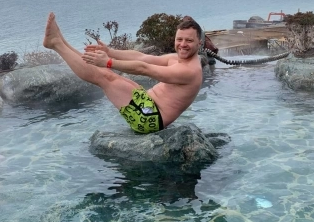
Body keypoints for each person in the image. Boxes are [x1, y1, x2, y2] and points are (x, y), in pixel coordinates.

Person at [43, 12, 204, 134]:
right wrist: (110, 52)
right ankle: (60, 40)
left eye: (189, 40)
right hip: (147, 105)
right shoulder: (178, 58)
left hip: (150, 119)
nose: (183, 44)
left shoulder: (189, 71)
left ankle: (56, 44)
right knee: (105, 74)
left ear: (199, 43)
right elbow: (142, 57)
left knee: (104, 76)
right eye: (179, 39)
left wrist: (108, 62)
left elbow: (144, 68)